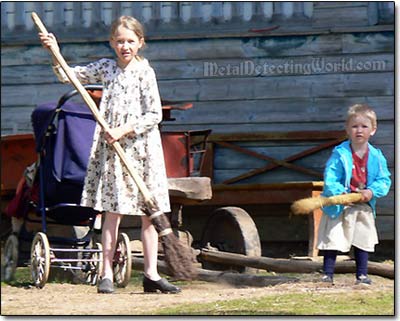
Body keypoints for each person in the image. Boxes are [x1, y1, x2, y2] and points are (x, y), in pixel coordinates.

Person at [39, 16, 181, 294]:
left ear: (141, 43)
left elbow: (153, 114)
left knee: (150, 214)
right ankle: (106, 273)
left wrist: (124, 129)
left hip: (142, 150)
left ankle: (151, 275)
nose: (124, 46)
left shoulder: (145, 73)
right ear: (112, 43)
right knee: (112, 211)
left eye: (130, 41)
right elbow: (69, 75)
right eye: (119, 41)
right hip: (113, 151)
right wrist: (53, 51)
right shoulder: (106, 68)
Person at [317, 104, 391, 285]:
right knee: (332, 237)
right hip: (340, 203)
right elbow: (331, 176)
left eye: (364, 126)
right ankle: (327, 274)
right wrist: (339, 193)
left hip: (362, 204)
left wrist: (371, 191)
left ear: (373, 130)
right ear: (347, 129)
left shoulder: (376, 156)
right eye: (355, 126)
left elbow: (384, 180)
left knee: (362, 237)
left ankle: (362, 275)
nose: (359, 130)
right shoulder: (340, 153)